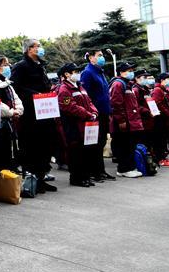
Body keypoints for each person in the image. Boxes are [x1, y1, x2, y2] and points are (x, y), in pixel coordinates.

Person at [10, 39, 57, 192]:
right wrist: (35, 95)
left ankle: (42, 178)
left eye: (39, 46)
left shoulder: (41, 65)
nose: (39, 49)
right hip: (30, 113)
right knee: (31, 146)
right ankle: (31, 181)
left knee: (46, 145)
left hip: (45, 111)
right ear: (29, 49)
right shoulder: (21, 67)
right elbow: (15, 88)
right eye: (36, 46)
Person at [56, 62, 99, 187]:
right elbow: (70, 107)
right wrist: (87, 114)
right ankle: (76, 178)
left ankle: (85, 176)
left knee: (84, 151)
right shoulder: (64, 89)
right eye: (75, 72)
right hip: (73, 125)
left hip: (85, 123)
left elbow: (89, 101)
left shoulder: (80, 86)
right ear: (67, 74)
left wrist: (94, 112)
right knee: (75, 152)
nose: (78, 74)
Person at [80, 50, 116, 181]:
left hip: (104, 113)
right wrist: (91, 112)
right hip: (95, 114)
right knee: (94, 144)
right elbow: (86, 96)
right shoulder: (88, 73)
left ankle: (101, 170)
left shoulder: (100, 72)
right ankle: (94, 172)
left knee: (100, 142)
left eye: (102, 55)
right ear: (91, 58)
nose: (102, 58)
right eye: (99, 55)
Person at [0, 55, 23, 174]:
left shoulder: (8, 85)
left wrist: (18, 110)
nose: (8, 67)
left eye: (8, 64)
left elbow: (17, 100)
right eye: (5, 65)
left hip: (10, 124)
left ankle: (8, 186)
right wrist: (11, 112)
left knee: (9, 154)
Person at [108, 61, 144, 178]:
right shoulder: (118, 84)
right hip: (124, 122)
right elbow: (116, 104)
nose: (131, 73)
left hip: (131, 121)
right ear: (121, 72)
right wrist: (121, 120)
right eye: (129, 71)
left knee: (129, 146)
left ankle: (129, 167)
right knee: (124, 146)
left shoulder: (128, 84)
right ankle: (124, 168)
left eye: (132, 70)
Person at [150, 73, 169, 167]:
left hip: (164, 119)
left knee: (163, 140)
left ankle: (164, 158)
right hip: (160, 119)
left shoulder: (163, 90)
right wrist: (168, 113)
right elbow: (158, 104)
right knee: (160, 140)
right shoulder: (158, 90)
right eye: (168, 79)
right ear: (162, 80)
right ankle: (160, 159)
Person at [133, 69, 157, 156]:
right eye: (144, 77)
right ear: (137, 78)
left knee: (149, 141)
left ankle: (150, 161)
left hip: (149, 120)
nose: (146, 79)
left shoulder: (145, 89)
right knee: (143, 142)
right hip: (142, 120)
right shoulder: (136, 90)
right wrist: (147, 111)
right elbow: (135, 105)